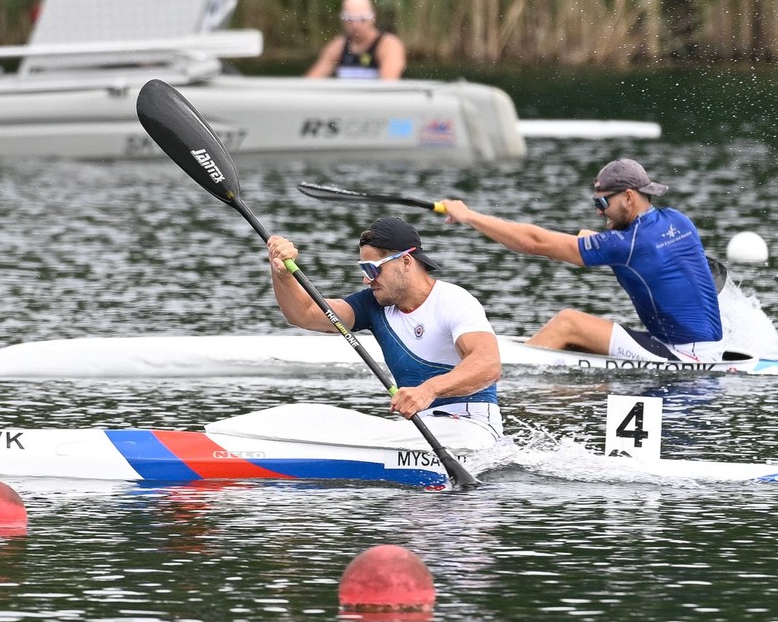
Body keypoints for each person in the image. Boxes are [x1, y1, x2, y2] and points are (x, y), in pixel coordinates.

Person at [439, 158, 723, 363]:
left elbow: (535, 243)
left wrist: (470, 216)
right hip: (708, 347)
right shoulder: (678, 220)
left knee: (568, 323)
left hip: (682, 355)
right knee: (574, 343)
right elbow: (647, 253)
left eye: (602, 203)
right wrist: (598, 241)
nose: (600, 212)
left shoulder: (627, 245)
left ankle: (498, 374)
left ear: (627, 197)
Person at [266, 217, 502, 431]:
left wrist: (429, 390)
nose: (366, 279)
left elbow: (488, 365)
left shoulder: (453, 300)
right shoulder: (374, 304)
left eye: (371, 269)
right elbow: (305, 314)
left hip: (472, 425)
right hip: (421, 427)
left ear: (406, 261)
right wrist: (282, 273)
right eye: (363, 269)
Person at [304, 0, 406, 80]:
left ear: (373, 18)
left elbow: (389, 85)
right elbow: (311, 81)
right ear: (342, 20)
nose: (355, 25)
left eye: (362, 19)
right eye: (350, 20)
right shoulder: (338, 47)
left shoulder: (388, 45)